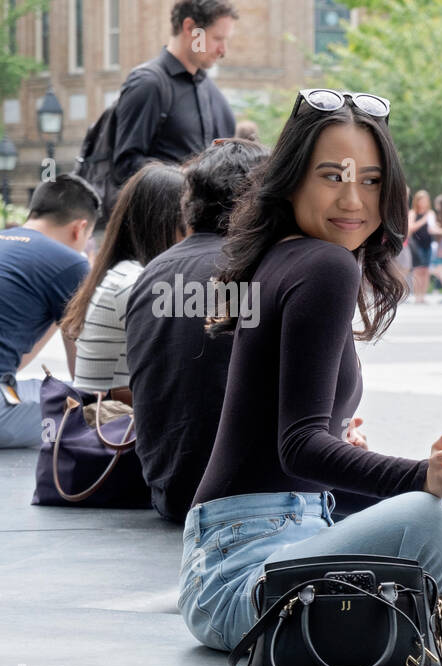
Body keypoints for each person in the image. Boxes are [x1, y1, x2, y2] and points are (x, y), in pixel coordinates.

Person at [181, 89, 442, 659]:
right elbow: (298, 448)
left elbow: (301, 452)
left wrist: (441, 479)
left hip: (279, 545)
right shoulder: (324, 263)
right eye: (332, 176)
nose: (353, 199)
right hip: (246, 579)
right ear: (291, 180)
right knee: (426, 517)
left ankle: (434, 604)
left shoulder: (286, 257)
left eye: (370, 179)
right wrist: (423, 479)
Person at [125, 137, 267, 523]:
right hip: (251, 501)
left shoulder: (152, 272)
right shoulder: (265, 268)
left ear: (189, 203)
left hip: (171, 492)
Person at [60, 164, 186, 402]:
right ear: (165, 224)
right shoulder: (135, 283)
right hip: (114, 429)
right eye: (189, 219)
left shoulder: (123, 272)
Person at [105, 1, 238, 224]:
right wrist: (185, 176)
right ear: (190, 28)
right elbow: (125, 166)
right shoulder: (148, 84)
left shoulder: (214, 95)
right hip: (156, 230)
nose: (223, 50)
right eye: (217, 39)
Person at [0, 174, 98, 448]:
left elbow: (13, 361)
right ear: (80, 229)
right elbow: (85, 375)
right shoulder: (70, 263)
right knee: (97, 412)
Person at [406, 189, 435, 303]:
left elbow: (432, 228)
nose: (423, 202)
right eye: (421, 200)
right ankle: (417, 296)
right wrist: (423, 220)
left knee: (426, 271)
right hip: (416, 244)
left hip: (428, 244)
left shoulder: (431, 213)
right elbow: (410, 229)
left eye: (425, 200)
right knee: (417, 270)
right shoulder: (413, 213)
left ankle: (423, 295)